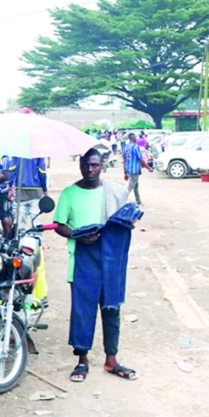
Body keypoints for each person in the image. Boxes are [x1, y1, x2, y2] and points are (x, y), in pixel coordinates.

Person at [54, 149, 136, 382]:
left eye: (94, 165)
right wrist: (78, 235)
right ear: (79, 165)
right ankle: (82, 361)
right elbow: (59, 225)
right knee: (82, 311)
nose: (90, 170)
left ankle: (112, 360)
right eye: (86, 165)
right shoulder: (69, 193)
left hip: (110, 261)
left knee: (111, 309)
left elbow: (124, 222)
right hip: (82, 259)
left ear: (102, 166)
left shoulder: (115, 193)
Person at [0, 154, 48, 231]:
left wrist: (10, 188)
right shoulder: (38, 154)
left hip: (20, 190)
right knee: (35, 217)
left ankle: (17, 238)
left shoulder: (18, 153)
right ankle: (36, 237)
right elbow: (42, 173)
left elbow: (12, 171)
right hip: (36, 191)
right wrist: (45, 190)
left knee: (19, 217)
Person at [122, 133, 153, 206]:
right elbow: (140, 159)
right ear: (133, 138)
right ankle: (121, 199)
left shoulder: (126, 147)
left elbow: (124, 160)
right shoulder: (136, 147)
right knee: (130, 186)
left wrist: (125, 173)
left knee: (136, 185)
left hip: (129, 169)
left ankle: (138, 201)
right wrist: (148, 168)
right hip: (134, 170)